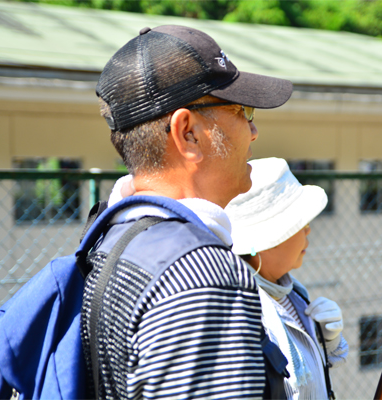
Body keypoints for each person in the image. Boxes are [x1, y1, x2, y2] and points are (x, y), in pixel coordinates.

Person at [83, 26, 292, 399]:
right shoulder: (203, 276)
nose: (254, 130)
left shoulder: (106, 243)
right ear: (188, 133)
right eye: (242, 110)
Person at [225, 157, 349, 400]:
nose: (308, 228)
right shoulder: (246, 311)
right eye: (297, 222)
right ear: (266, 240)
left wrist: (330, 342)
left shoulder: (294, 293)